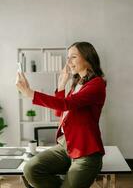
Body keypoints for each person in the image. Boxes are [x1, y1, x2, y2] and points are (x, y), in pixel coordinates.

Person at [16, 42, 106, 188]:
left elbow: (66, 104)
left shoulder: (96, 85)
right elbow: (59, 112)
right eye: (68, 57)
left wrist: (30, 94)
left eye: (73, 57)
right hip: (66, 146)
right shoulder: (77, 84)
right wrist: (61, 86)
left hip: (86, 152)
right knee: (30, 169)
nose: (68, 62)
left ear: (88, 58)